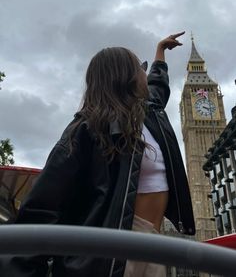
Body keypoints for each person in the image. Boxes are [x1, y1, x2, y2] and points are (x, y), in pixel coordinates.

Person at [0, 31, 195, 277]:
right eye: (141, 67)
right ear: (124, 76)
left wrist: (160, 54)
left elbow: (157, 88)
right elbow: (42, 209)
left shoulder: (149, 114)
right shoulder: (85, 130)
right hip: (114, 254)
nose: (145, 73)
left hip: (155, 246)